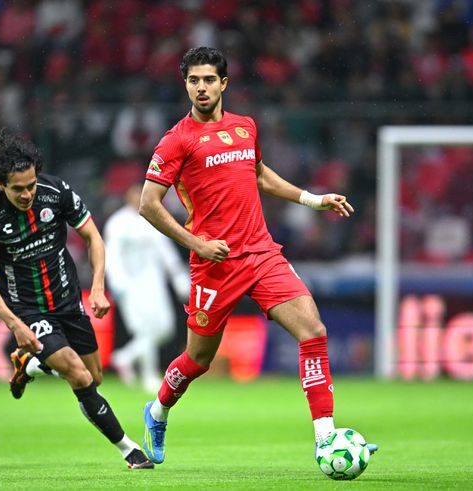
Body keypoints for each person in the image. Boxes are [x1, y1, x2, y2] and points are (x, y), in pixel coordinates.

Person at [137, 47, 378, 465]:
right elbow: (148, 204)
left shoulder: (245, 127)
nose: (201, 87)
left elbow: (260, 175)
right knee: (198, 360)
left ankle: (325, 438)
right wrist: (197, 244)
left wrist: (312, 199)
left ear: (224, 83)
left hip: (262, 253)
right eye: (193, 80)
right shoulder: (176, 140)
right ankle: (157, 411)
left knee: (313, 331)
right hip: (214, 264)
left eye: (208, 79)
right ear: (186, 85)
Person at [0, 127, 153, 470]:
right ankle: (129, 450)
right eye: (18, 189)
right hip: (27, 308)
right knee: (79, 377)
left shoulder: (56, 192)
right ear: (0, 184)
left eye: (31, 185)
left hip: (68, 299)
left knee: (94, 377)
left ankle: (31, 365)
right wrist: (15, 324)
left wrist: (97, 286)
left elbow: (93, 237)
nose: (27, 194)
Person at [103, 183, 190, 393]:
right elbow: (111, 255)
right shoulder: (118, 223)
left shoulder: (154, 219)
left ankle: (125, 357)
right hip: (131, 286)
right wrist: (117, 282)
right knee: (144, 330)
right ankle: (149, 374)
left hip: (155, 284)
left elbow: (166, 251)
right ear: (128, 197)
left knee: (166, 329)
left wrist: (178, 277)